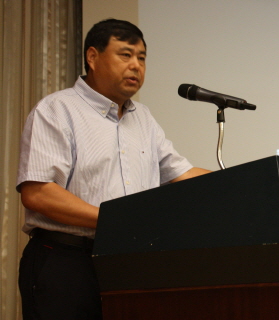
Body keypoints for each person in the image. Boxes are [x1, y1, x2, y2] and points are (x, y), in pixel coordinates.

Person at [16, 19, 210, 320]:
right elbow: (38, 193)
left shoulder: (143, 117)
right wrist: (117, 221)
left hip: (128, 262)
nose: (136, 66)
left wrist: (249, 181)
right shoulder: (57, 110)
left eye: (142, 58)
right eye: (125, 55)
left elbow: (181, 174)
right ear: (92, 57)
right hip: (67, 261)